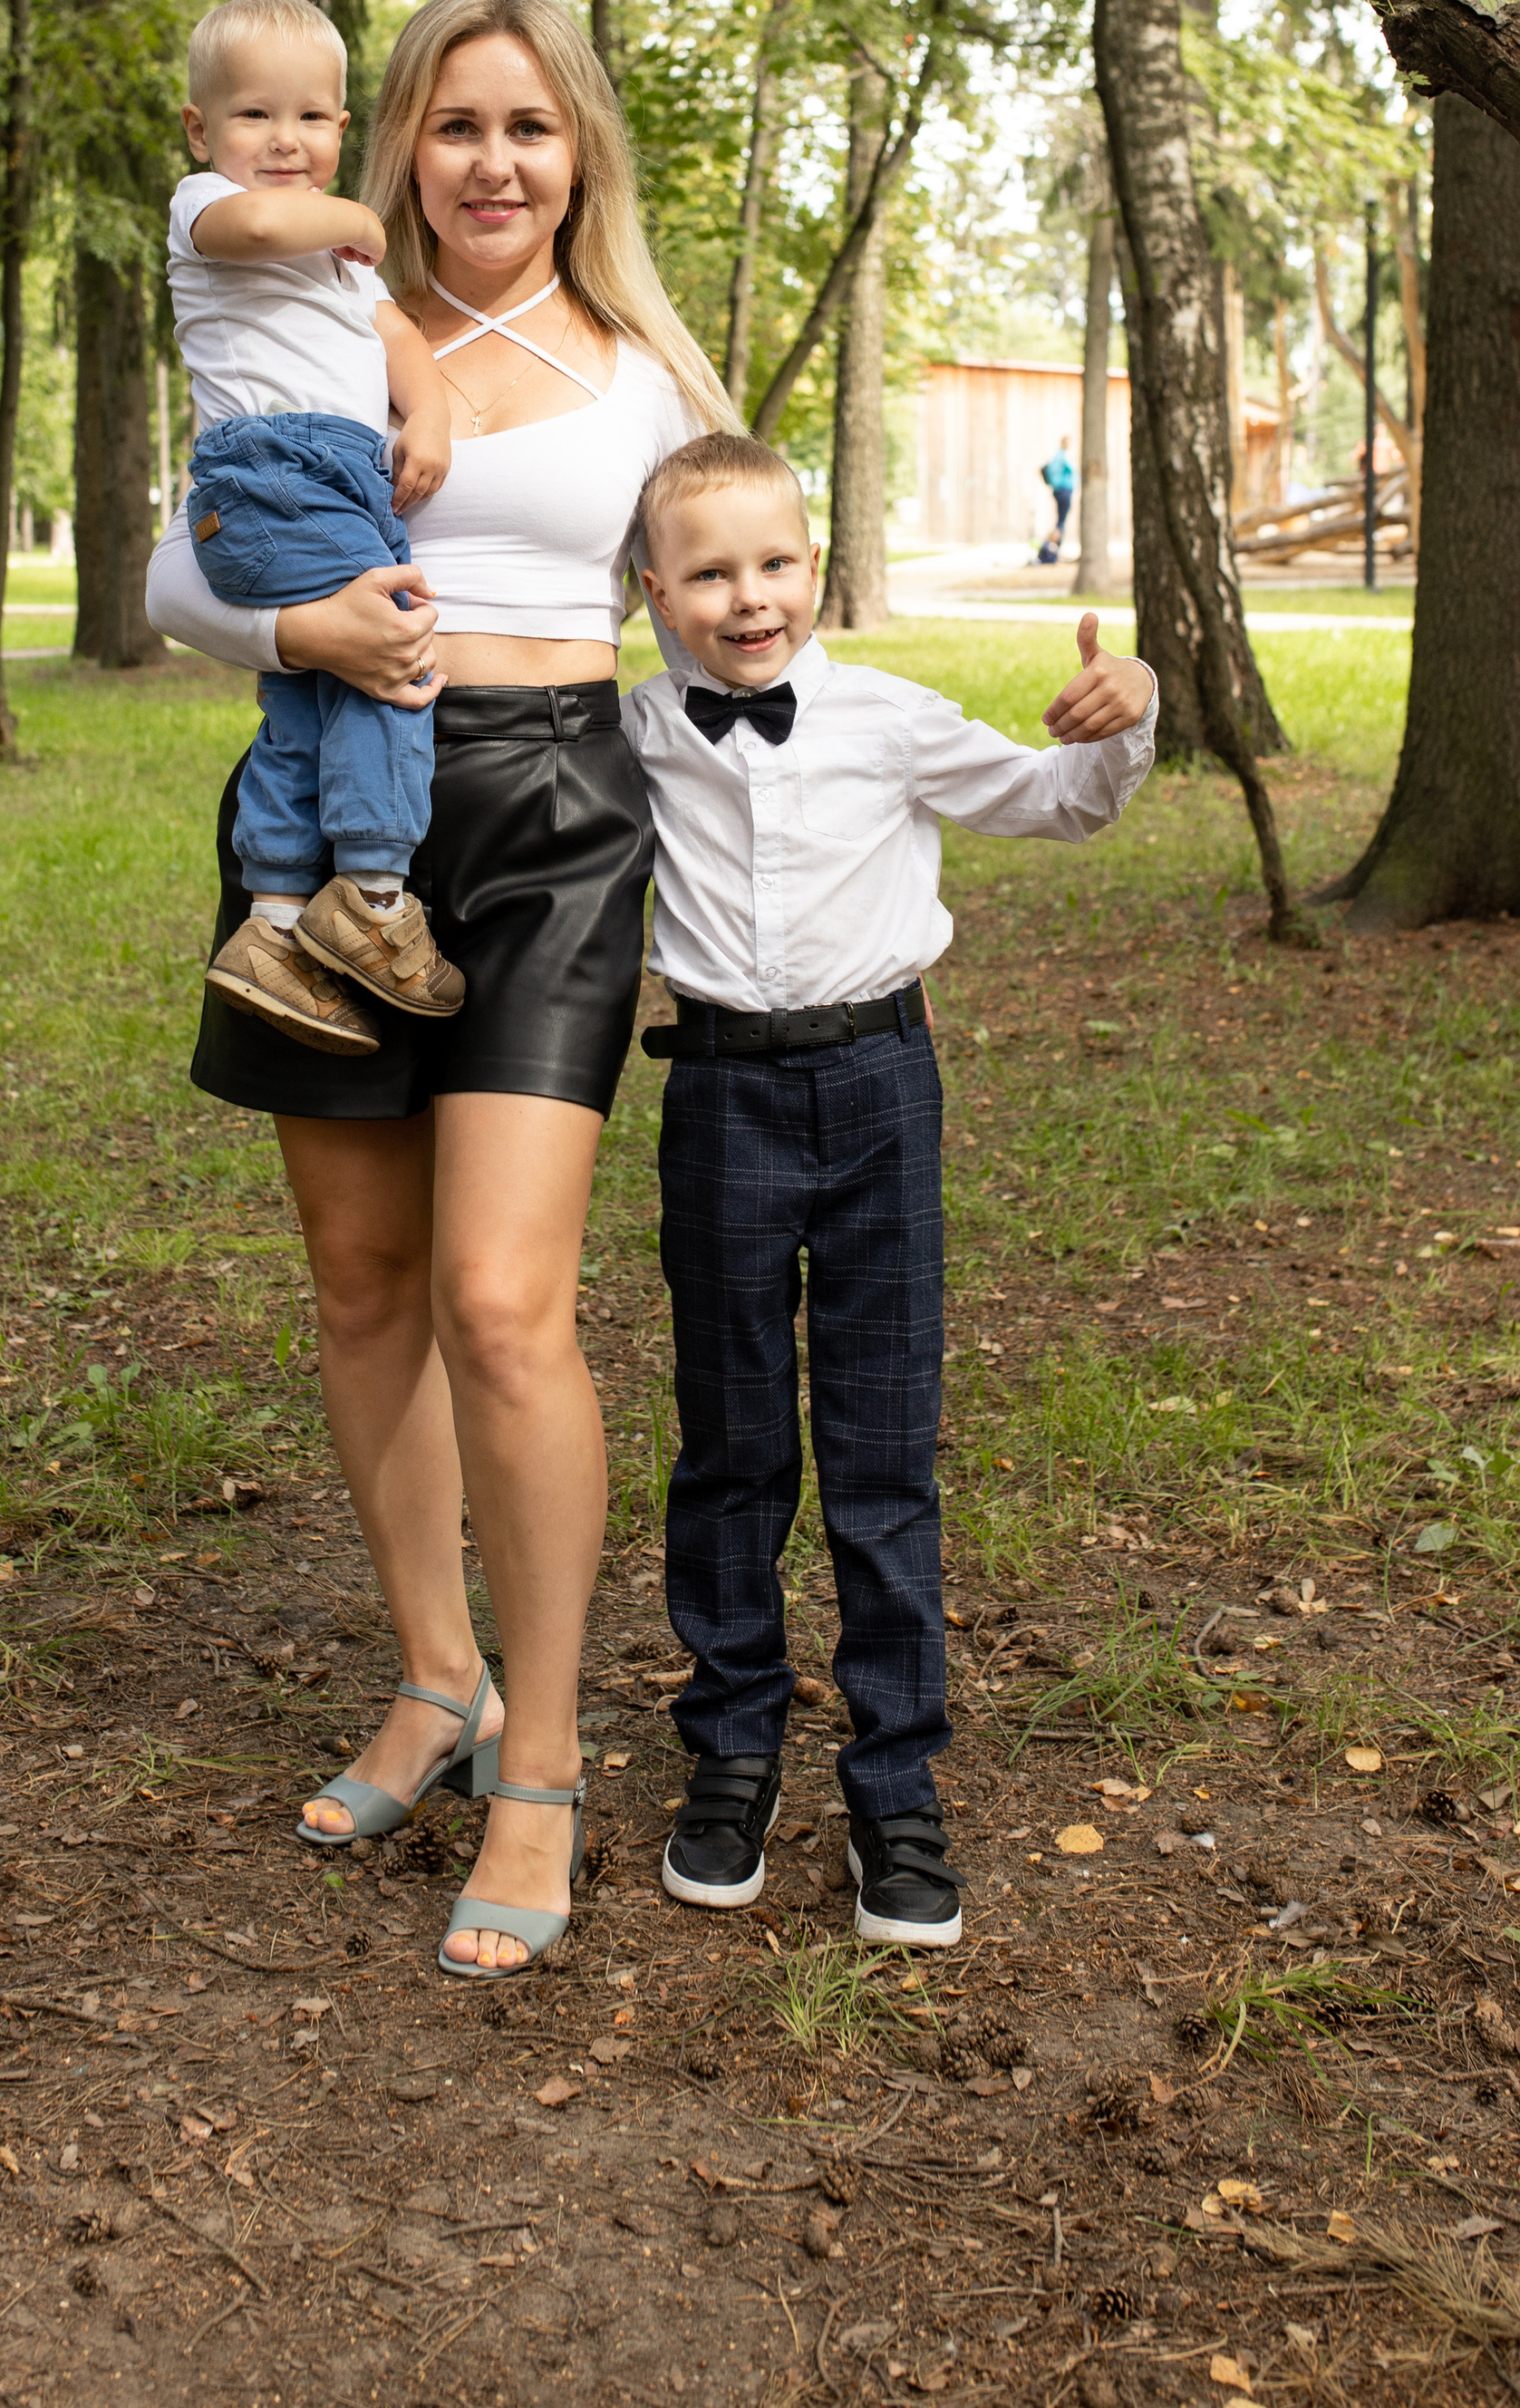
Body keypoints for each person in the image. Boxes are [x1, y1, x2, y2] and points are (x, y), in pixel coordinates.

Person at [145, 0, 733, 1978]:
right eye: (456, 127)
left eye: (531, 130)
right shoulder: (298, 309)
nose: (493, 164)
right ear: (394, 144)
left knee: (502, 1302)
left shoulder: (644, 367)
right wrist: (303, 630)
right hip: (329, 809)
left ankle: (546, 1756)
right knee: (363, 1284)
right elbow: (179, 571)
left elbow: (743, 613)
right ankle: (430, 1678)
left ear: (580, 160)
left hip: (556, 820)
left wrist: (1053, 751)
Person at [624, 431, 1156, 1947]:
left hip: (878, 1093)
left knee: (878, 1443)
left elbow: (1062, 803)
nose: (748, 599)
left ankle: (896, 1785)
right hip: (718, 1093)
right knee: (730, 1439)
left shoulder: (889, 720)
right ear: (652, 588)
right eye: (710, 573)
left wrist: (1126, 720)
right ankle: (729, 1748)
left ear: (816, 565)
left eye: (775, 564)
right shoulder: (629, 736)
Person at [169, 0, 463, 1051]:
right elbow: (257, 221)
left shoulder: (347, 277)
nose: (282, 141)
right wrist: (354, 220)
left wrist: (425, 416)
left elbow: (399, 342)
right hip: (272, 473)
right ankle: (377, 895)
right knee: (397, 659)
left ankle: (276, 920)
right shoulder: (209, 208)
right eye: (254, 115)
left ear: (342, 129)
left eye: (308, 118)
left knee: (310, 705)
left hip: (332, 483)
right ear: (202, 131)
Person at [1038, 435, 1075, 566]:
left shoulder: (1057, 457)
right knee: (1061, 522)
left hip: (1059, 491)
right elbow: (1073, 470)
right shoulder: (1062, 457)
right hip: (1064, 491)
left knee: (1060, 521)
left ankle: (1053, 549)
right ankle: (1053, 550)